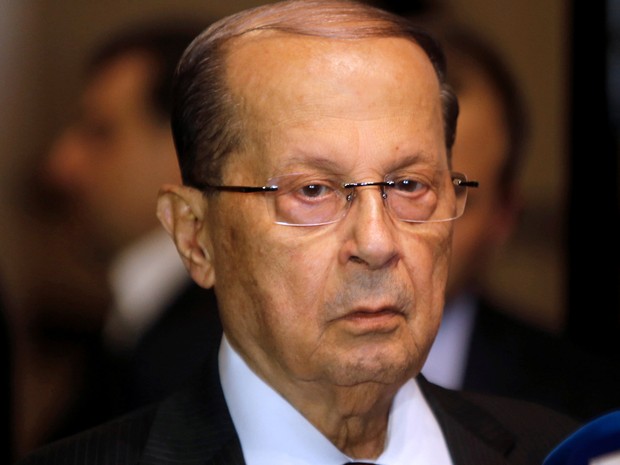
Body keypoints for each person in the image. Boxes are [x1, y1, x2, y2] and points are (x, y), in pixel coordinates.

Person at [16, 1, 580, 464]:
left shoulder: (568, 453)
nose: (377, 243)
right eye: (312, 191)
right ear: (195, 236)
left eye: (409, 184)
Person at [11, 20, 222, 461]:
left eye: (99, 132)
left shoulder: (203, 352)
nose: (61, 163)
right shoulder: (142, 317)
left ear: (185, 151)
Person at [418, 23, 620, 421]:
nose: (414, 228)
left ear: (504, 216)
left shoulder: (584, 411)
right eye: (402, 185)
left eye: (457, 198)